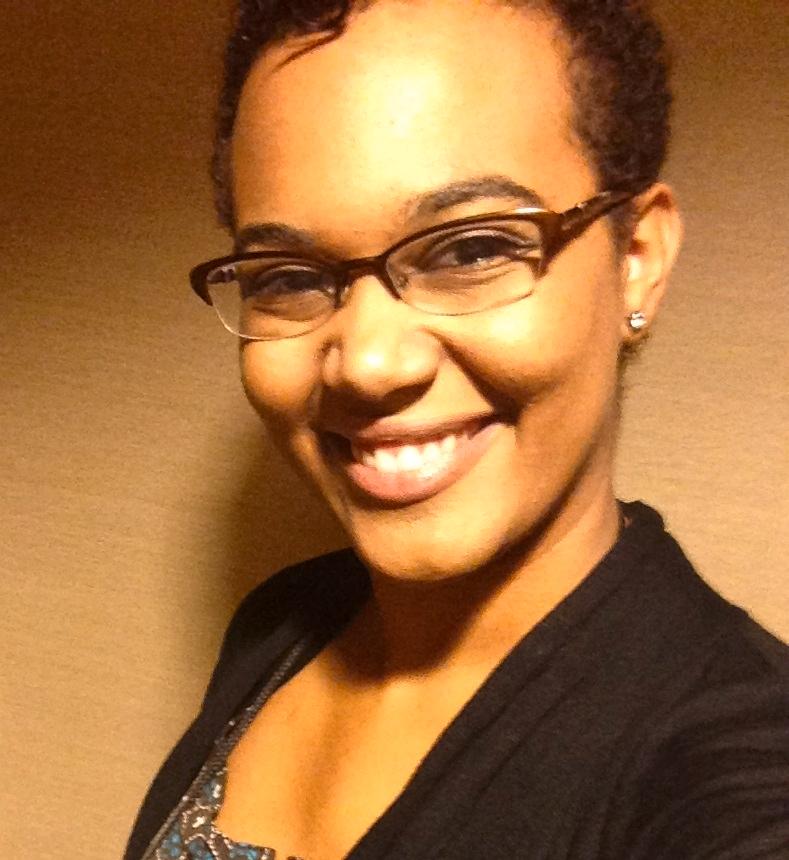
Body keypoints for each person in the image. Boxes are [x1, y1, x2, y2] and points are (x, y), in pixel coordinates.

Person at [125, 1, 789, 858]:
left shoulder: (729, 760)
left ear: (635, 260)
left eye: (470, 250)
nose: (367, 363)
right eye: (288, 275)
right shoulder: (287, 621)